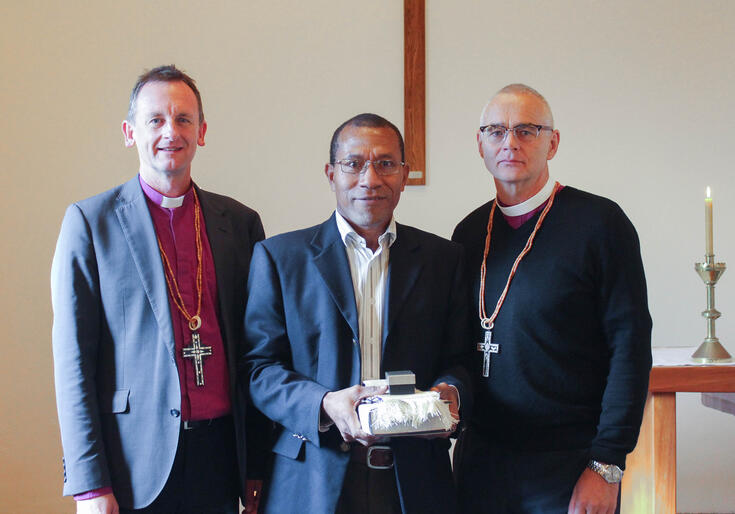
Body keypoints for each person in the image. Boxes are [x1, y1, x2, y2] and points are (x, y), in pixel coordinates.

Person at [51, 65, 266, 513]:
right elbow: (73, 363)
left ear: (202, 131)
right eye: (156, 120)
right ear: (130, 132)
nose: (171, 131)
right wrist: (90, 485)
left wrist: (257, 466)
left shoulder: (240, 224)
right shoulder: (91, 224)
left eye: (184, 119)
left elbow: (256, 352)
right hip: (133, 461)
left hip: (221, 456)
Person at [242, 113, 472, 514]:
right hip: (311, 479)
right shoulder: (280, 259)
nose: (370, 178)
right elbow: (259, 370)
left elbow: (460, 361)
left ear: (404, 174)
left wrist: (451, 391)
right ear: (331, 173)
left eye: (385, 163)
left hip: (415, 483)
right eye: (354, 164)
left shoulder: (442, 259)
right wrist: (325, 403)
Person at [451, 84, 652, 514]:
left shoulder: (600, 224)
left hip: (570, 464)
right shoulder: (467, 234)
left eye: (527, 130)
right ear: (480, 143)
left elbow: (630, 349)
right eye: (496, 131)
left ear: (552, 142)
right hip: (481, 462)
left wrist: (607, 466)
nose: (510, 143)